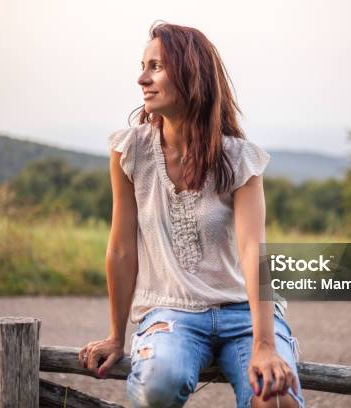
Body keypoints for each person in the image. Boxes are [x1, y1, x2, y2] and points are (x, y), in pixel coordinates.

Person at [78, 21, 305, 408]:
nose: (141, 78)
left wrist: (265, 344)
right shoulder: (129, 152)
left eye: (156, 67)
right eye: (143, 65)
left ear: (190, 74)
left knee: (274, 397)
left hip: (243, 315)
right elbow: (120, 249)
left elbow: (254, 251)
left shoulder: (238, 158)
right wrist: (116, 336)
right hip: (170, 312)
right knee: (157, 387)